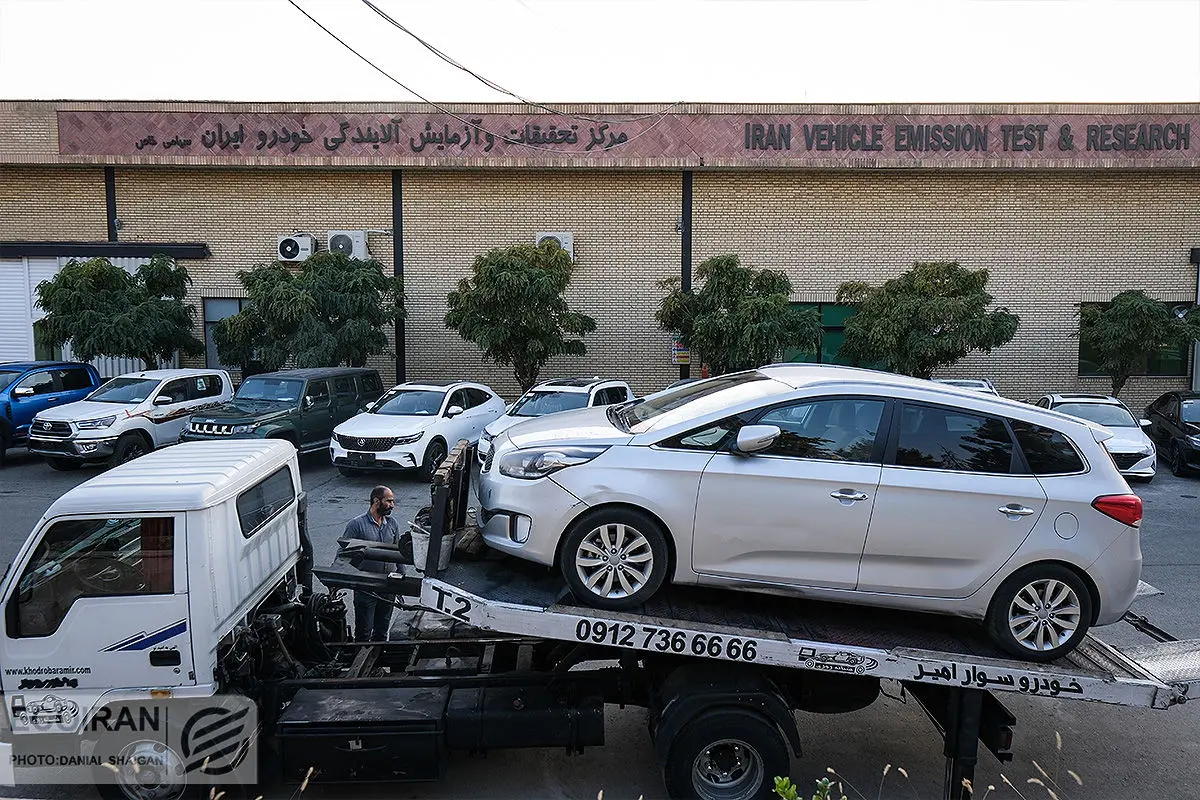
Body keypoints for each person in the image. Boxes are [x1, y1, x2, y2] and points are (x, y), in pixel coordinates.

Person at [342, 485, 402, 642]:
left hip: (388, 586)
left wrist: (401, 579)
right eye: (389, 501)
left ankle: (377, 663)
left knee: (382, 630)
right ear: (377, 501)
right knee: (364, 631)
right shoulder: (356, 525)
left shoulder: (392, 523)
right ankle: (359, 662)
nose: (392, 505)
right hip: (366, 588)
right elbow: (343, 554)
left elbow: (399, 553)